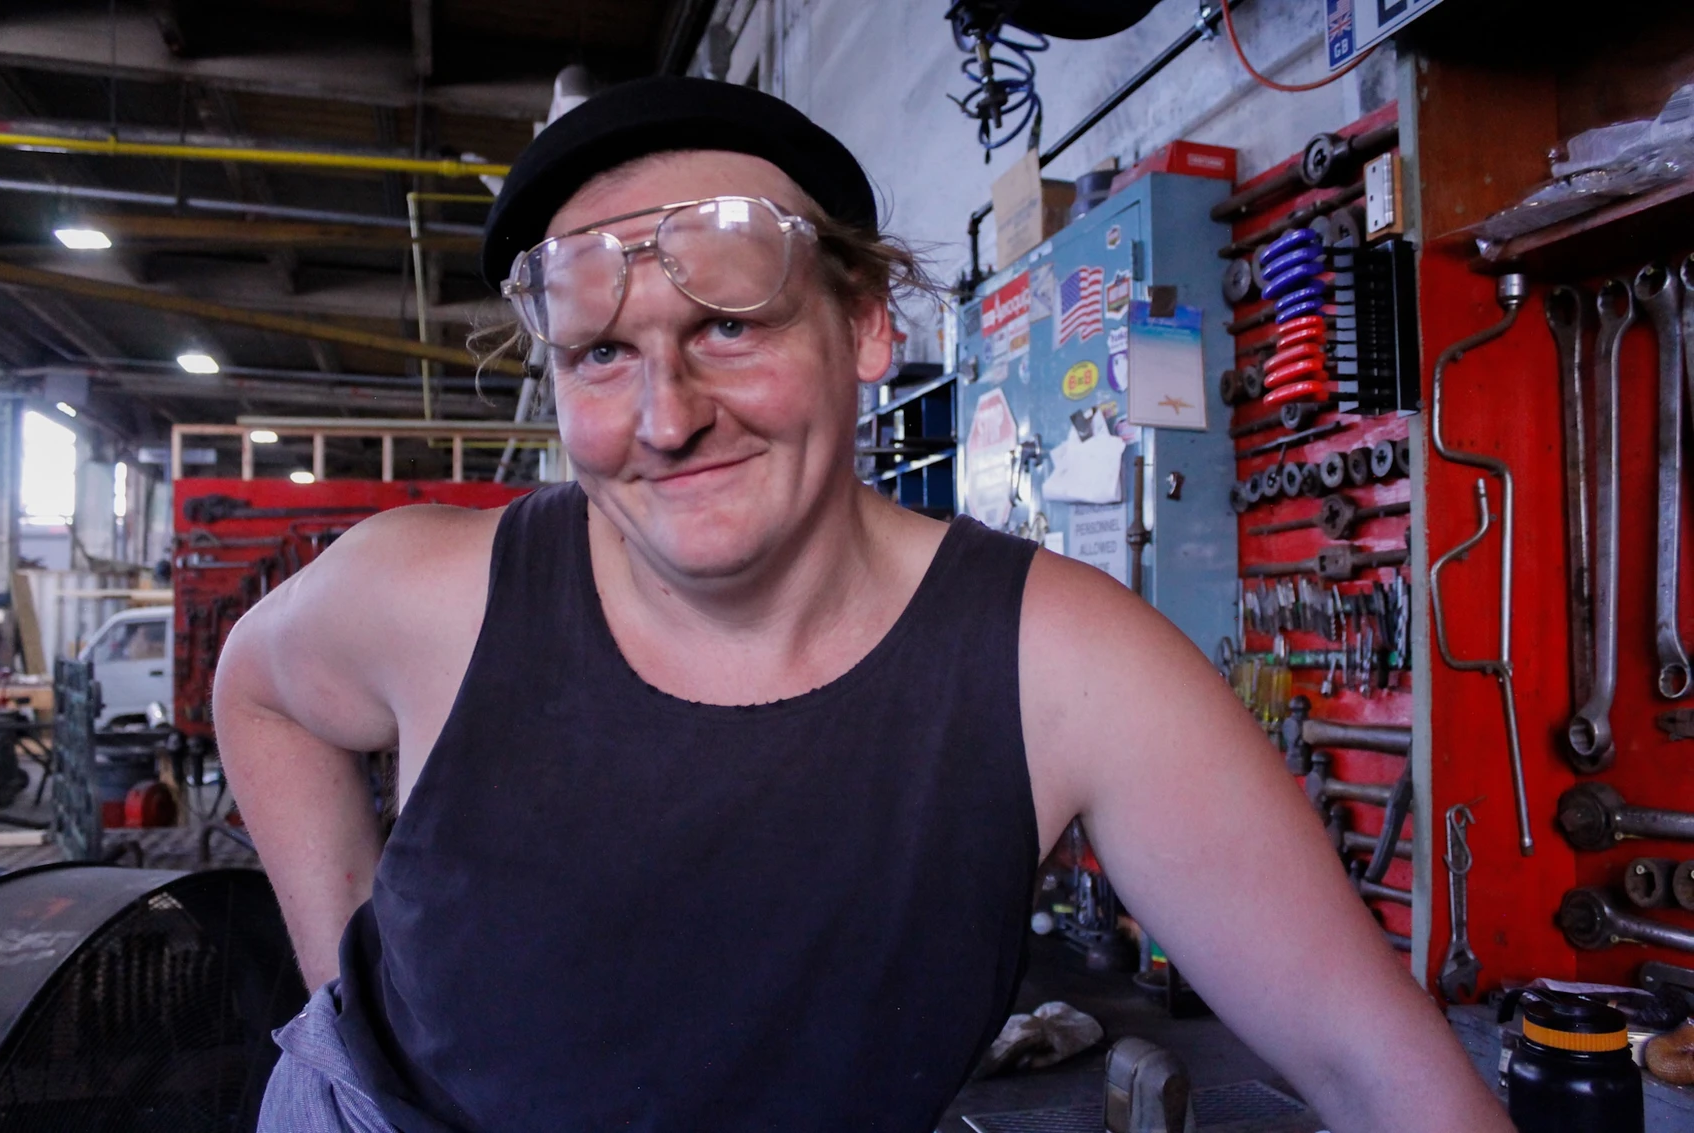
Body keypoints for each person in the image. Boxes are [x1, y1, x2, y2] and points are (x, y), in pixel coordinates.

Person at [216, 76, 1511, 1133]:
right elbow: (258, 692)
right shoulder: (435, 594)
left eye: (730, 326)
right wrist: (346, 1011)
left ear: (869, 328)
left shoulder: (1060, 668)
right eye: (603, 352)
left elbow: (1372, 1066)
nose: (665, 419)